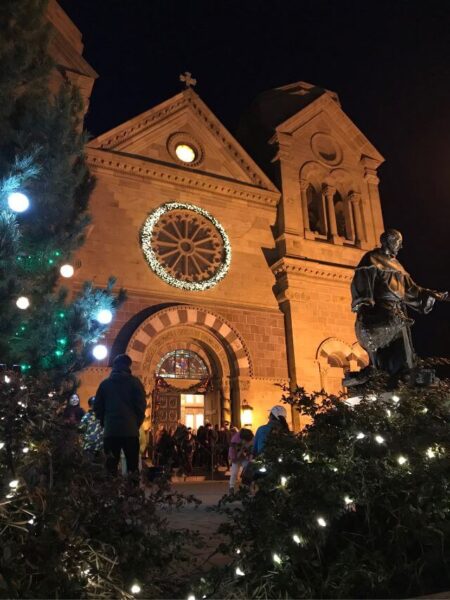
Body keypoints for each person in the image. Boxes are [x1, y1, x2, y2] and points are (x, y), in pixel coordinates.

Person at [350, 229, 448, 378]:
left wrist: (432, 294)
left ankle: (401, 376)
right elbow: (362, 283)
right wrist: (364, 305)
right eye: (398, 242)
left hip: (397, 312)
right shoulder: (371, 258)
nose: (400, 246)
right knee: (377, 342)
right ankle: (377, 370)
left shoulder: (397, 265)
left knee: (403, 352)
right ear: (387, 241)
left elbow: (412, 289)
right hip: (380, 310)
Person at [94, 354, 146, 477]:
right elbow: (141, 405)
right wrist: (135, 423)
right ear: (128, 366)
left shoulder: (105, 384)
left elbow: (97, 408)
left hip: (111, 431)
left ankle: (111, 493)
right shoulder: (135, 383)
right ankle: (132, 494)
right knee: (132, 467)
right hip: (130, 432)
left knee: (110, 467)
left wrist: (105, 422)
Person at [228, 428, 254, 493]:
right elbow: (237, 453)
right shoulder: (235, 440)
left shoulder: (246, 437)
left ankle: (248, 486)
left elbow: (250, 447)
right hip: (235, 456)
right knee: (234, 472)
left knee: (248, 468)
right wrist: (242, 450)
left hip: (243, 456)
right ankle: (231, 487)